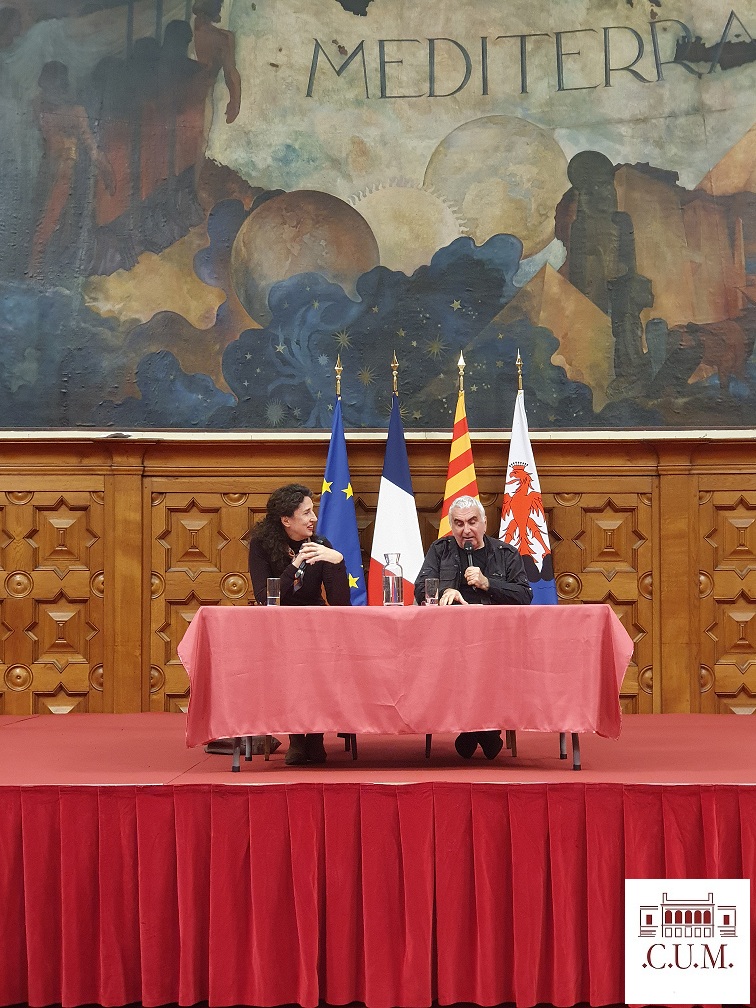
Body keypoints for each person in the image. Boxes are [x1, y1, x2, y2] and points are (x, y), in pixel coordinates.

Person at [413, 495, 532, 760]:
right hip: (449, 643)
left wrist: (489, 584)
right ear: (452, 526)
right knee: (458, 665)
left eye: (472, 522)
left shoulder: (505, 553)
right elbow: (421, 588)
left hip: (497, 644)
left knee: (484, 665)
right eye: (459, 524)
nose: (466, 530)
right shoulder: (440, 549)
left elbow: (524, 595)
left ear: (484, 523)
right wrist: (445, 592)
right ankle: (486, 733)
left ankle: (470, 731)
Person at [249, 483, 351, 764]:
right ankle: (296, 738)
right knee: (290, 670)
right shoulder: (261, 546)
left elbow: (340, 604)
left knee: (320, 667)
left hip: (315, 626)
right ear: (286, 519)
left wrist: (338, 562)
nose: (313, 518)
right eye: (306, 513)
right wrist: (295, 565)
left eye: (313, 511)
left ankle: (316, 737)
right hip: (278, 627)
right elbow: (265, 597)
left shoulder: (321, 545)